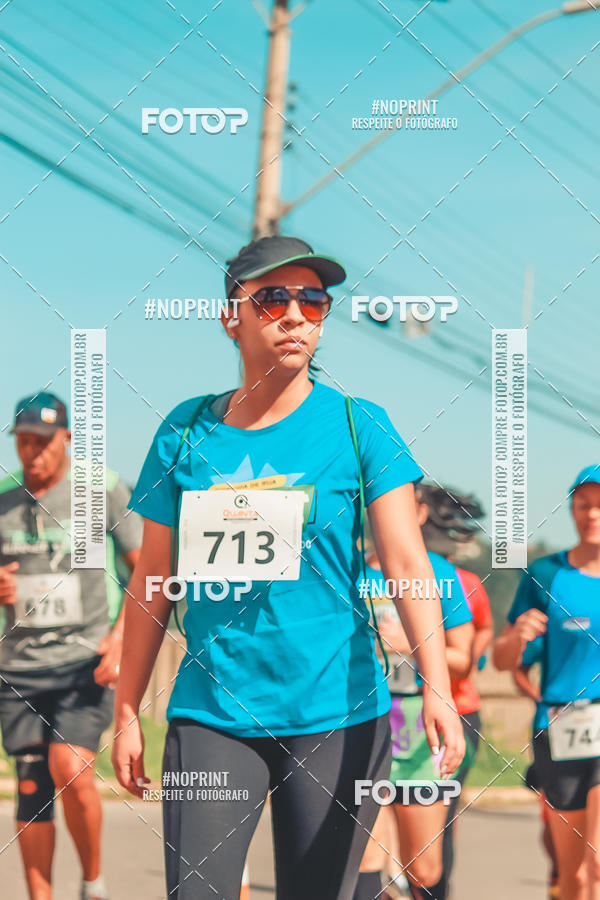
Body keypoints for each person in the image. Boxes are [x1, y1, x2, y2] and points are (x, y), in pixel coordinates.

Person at [111, 235, 465, 900]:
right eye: (272, 298)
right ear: (230, 317)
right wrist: (127, 708)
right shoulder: (184, 432)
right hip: (210, 710)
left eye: (313, 299)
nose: (295, 314)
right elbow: (152, 579)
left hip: (337, 709)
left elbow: (406, 562)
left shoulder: (362, 427)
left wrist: (438, 685)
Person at [0, 392, 142, 900]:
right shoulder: (3, 497)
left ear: (66, 440)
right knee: (33, 782)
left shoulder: (100, 489)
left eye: (42, 442)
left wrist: (122, 638)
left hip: (85, 658)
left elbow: (144, 566)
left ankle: (91, 883)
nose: (32, 453)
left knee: (71, 766)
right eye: (23, 442)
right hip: (18, 667)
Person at [356, 486, 473, 900]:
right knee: (368, 858)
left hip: (420, 730)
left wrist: (411, 644)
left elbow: (464, 656)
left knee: (424, 869)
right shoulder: (351, 571)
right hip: (365, 721)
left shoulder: (439, 573)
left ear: (421, 514)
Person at [494, 465, 600, 900]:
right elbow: (502, 660)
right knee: (571, 876)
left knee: (597, 865)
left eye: (599, 505)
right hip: (560, 728)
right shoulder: (546, 575)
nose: (592, 514)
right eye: (583, 505)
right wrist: (517, 636)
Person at [414, 484, 493, 897]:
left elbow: (479, 642)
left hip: (455, 710)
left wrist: (433, 658)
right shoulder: (370, 572)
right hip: (391, 714)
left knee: (439, 824)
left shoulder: (461, 582)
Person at [512, 636, 560, 900]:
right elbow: (518, 670)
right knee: (554, 816)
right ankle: (558, 873)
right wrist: (543, 699)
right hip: (552, 731)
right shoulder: (556, 616)